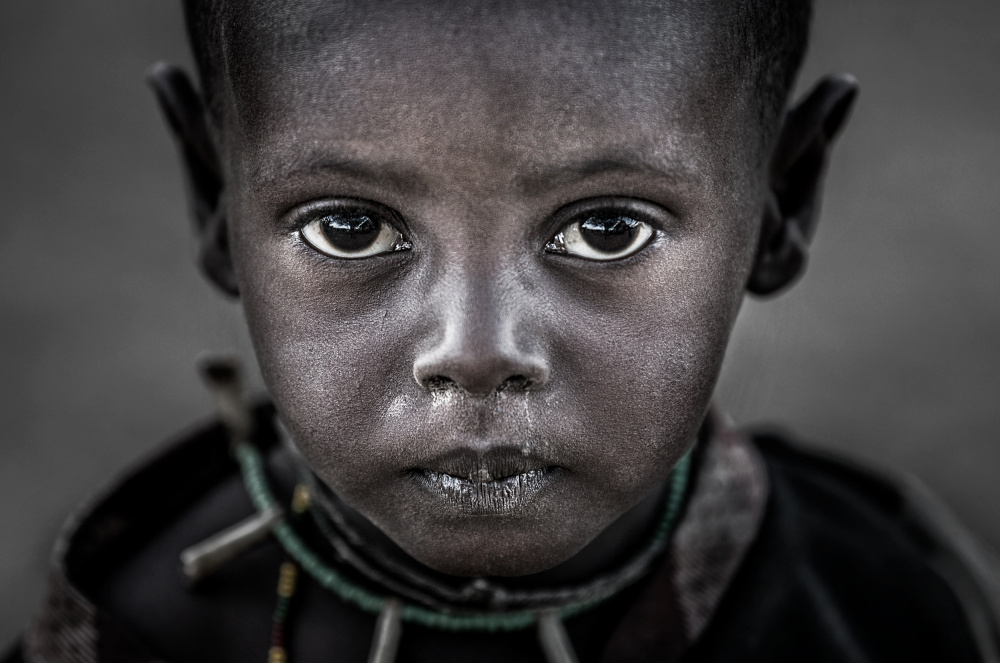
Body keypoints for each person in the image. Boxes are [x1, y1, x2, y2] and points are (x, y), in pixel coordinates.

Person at [4, 0, 998, 661]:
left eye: (607, 227)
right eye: (350, 226)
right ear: (214, 197)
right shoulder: (122, 630)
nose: (476, 351)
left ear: (782, 203)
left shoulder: (874, 609)